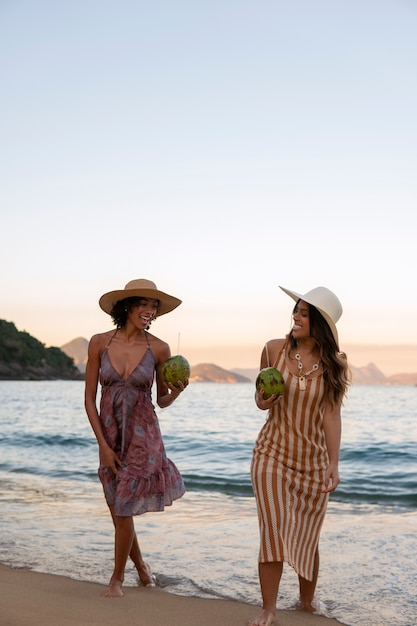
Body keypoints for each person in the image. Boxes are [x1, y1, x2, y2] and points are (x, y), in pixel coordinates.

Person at [249, 286, 350, 626]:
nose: (295, 317)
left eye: (305, 313)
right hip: (271, 453)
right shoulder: (272, 349)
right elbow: (260, 397)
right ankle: (269, 608)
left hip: (313, 463)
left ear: (319, 322)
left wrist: (333, 463)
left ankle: (306, 601)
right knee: (274, 530)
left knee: (308, 534)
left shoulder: (335, 364)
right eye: (296, 310)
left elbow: (331, 415)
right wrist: (263, 402)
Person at [84, 278, 188, 597]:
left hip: (144, 437)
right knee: (119, 507)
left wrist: (177, 392)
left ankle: (117, 580)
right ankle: (142, 568)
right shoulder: (99, 342)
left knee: (123, 508)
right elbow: (89, 399)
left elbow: (161, 399)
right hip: (110, 434)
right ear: (128, 305)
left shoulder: (159, 348)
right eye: (144, 304)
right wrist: (103, 446)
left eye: (154, 306)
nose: (150, 311)